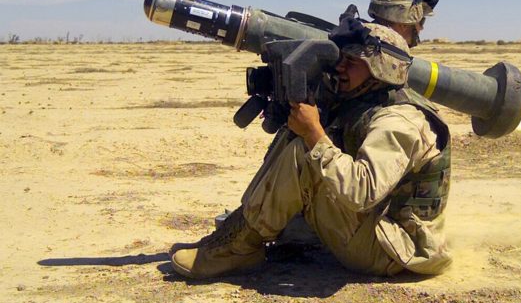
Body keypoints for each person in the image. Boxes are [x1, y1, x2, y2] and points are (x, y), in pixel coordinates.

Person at [170, 21, 452, 279]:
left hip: (394, 251)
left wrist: (315, 134)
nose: (341, 68)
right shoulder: (366, 101)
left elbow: (362, 192)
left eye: (352, 62)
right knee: (300, 140)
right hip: (382, 228)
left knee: (304, 154)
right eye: (342, 60)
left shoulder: (399, 121)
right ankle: (239, 234)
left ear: (382, 68)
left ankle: (240, 249)